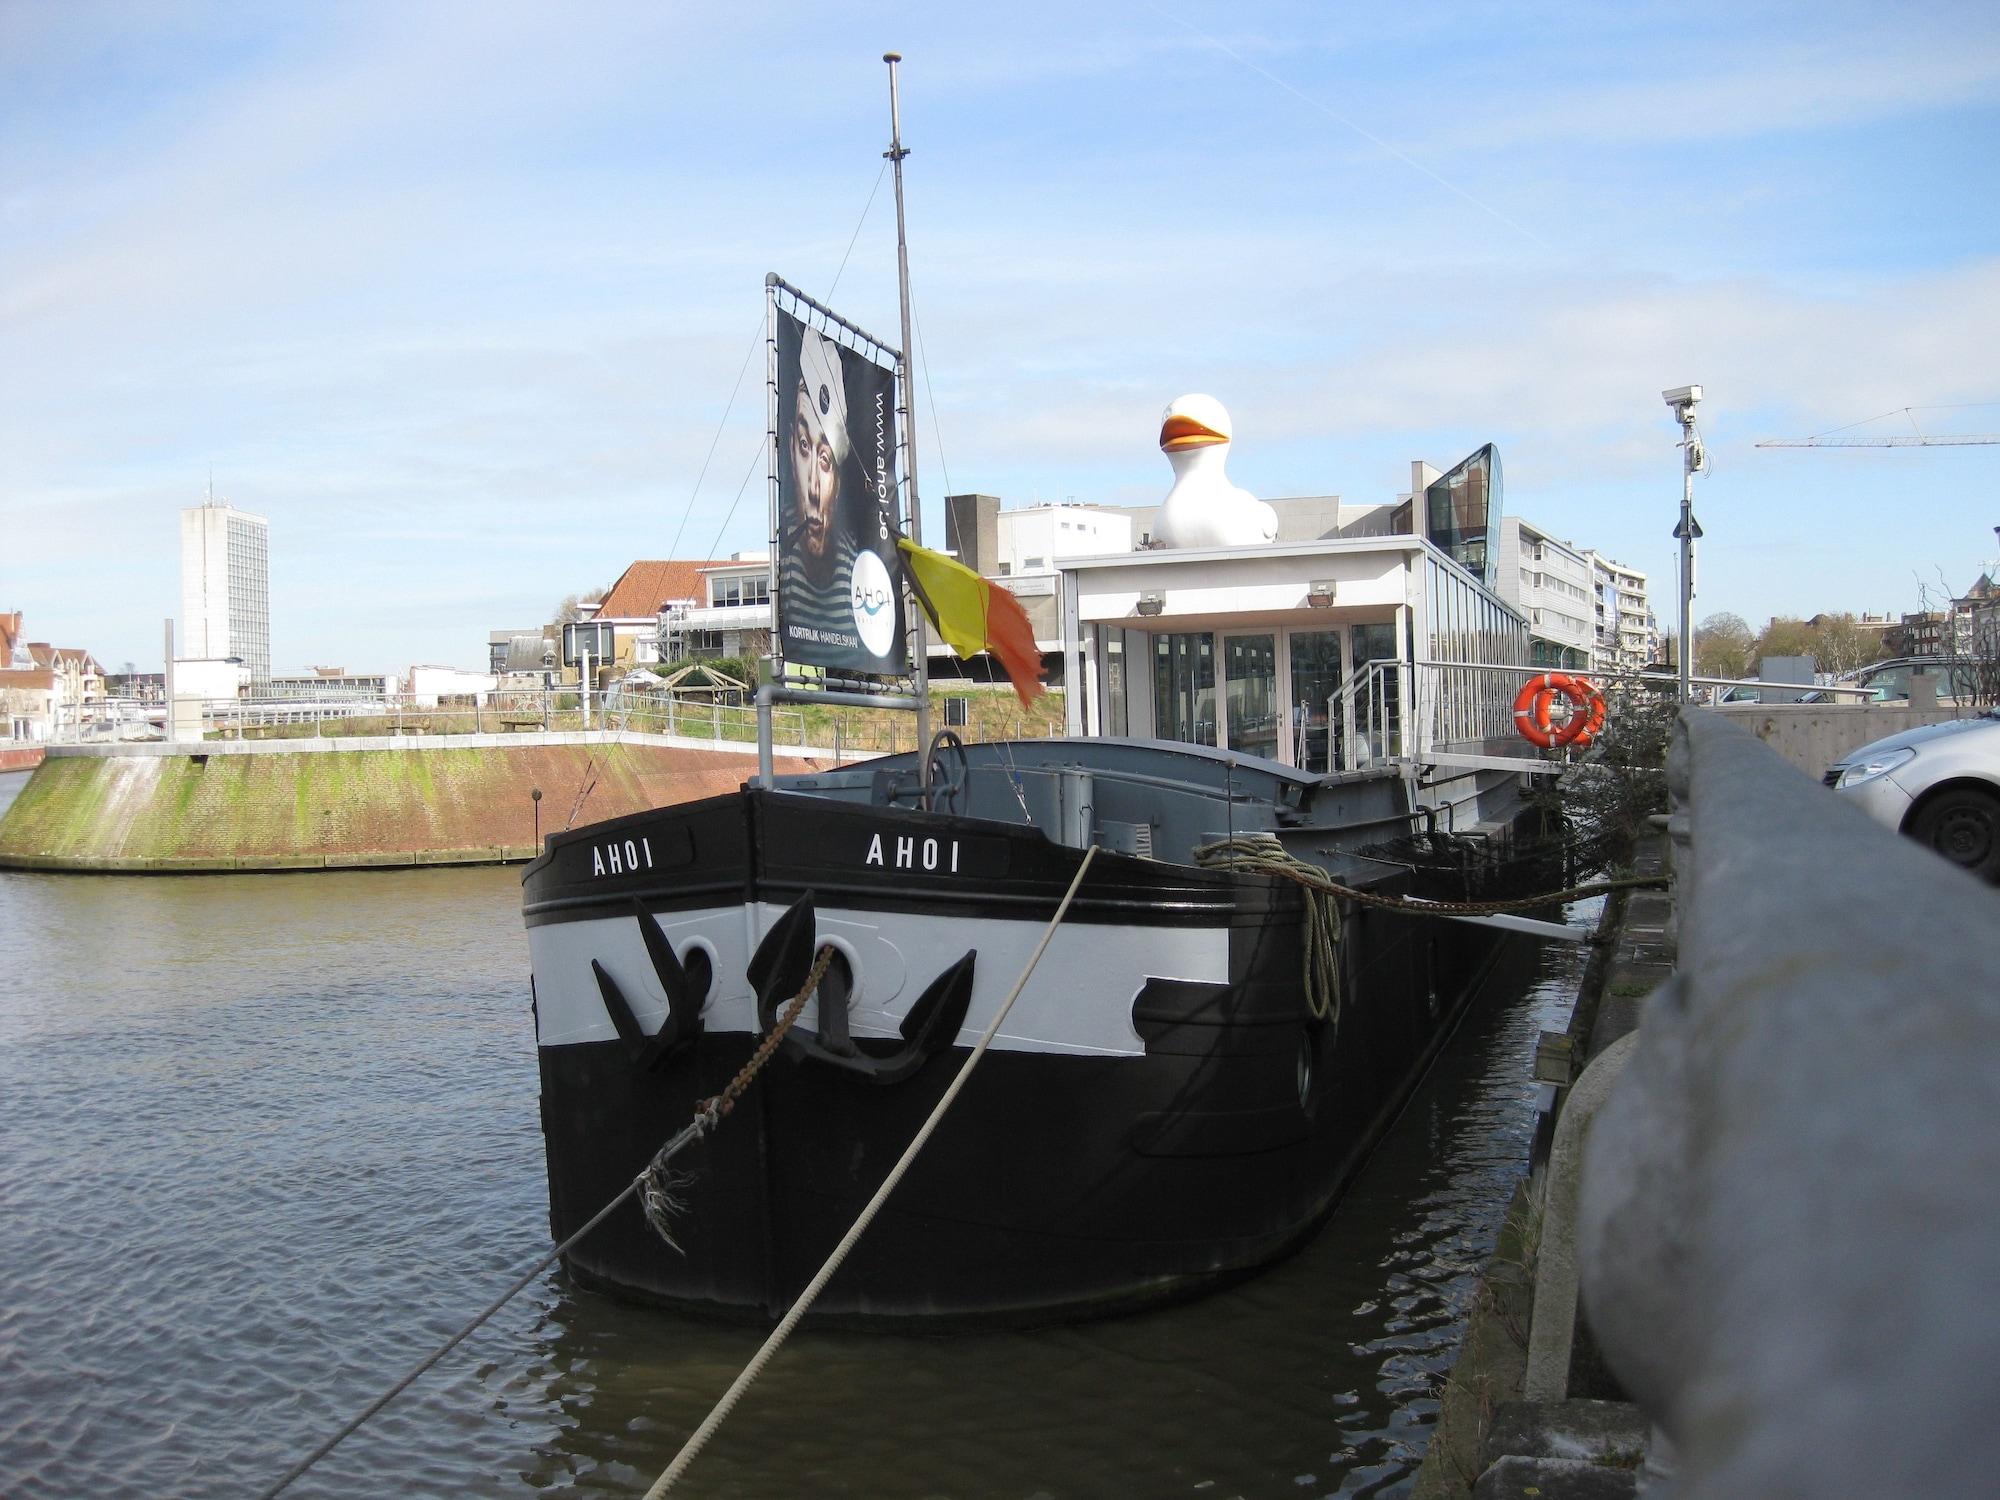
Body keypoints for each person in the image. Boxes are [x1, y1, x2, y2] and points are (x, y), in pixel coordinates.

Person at [780, 326, 861, 653]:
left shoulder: (860, 569)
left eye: (825, 460)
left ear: (838, 480)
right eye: (804, 445)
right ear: (789, 448)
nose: (813, 486)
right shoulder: (782, 551)